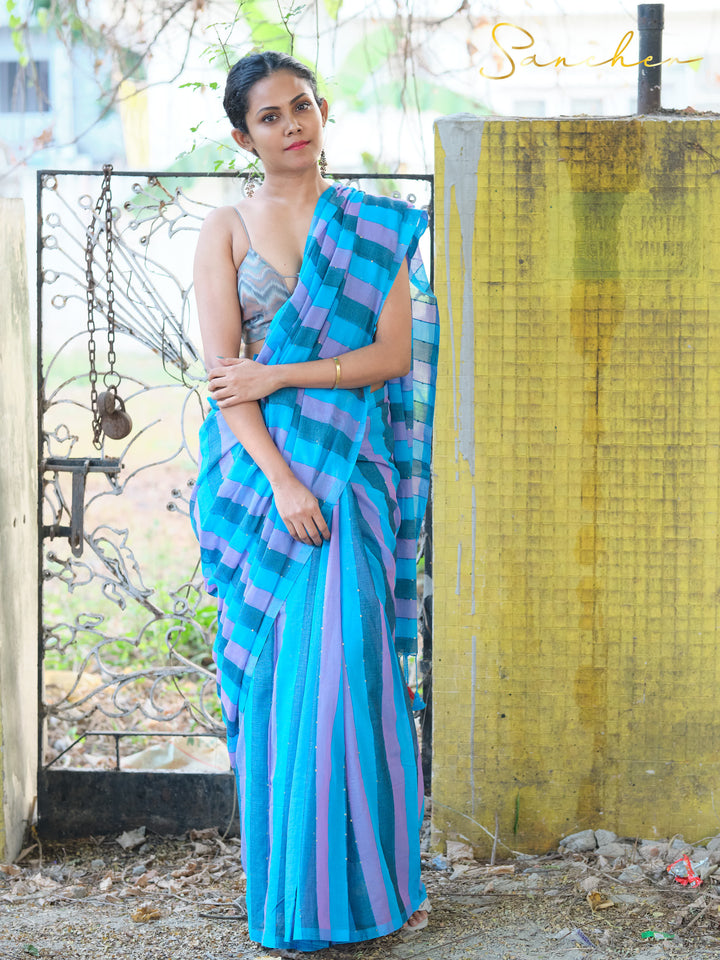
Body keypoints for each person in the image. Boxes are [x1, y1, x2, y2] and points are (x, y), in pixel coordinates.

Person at [190, 50, 439, 955]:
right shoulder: (224, 228)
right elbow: (227, 379)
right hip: (267, 483)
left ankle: (367, 890)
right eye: (269, 116)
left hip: (355, 478)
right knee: (283, 682)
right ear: (243, 135)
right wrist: (284, 479)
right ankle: (294, 897)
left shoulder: (372, 230)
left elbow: (387, 358)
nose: (292, 123)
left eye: (301, 107)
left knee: (350, 678)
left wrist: (284, 370)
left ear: (322, 111)